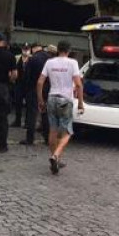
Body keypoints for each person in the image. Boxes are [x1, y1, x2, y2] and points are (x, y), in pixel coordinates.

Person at [37, 41, 84, 174]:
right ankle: (56, 155)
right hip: (65, 100)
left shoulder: (49, 62)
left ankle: (55, 160)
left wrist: (40, 100)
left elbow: (40, 82)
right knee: (67, 132)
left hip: (51, 98)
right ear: (68, 50)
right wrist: (80, 102)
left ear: (58, 50)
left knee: (52, 130)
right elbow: (79, 85)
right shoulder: (72, 63)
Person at [20, 43, 50, 145]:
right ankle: (47, 138)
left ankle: (30, 139)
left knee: (32, 114)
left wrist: (25, 90)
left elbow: (27, 76)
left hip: (33, 88)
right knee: (45, 114)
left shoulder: (32, 59)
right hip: (47, 88)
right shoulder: (49, 58)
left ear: (33, 49)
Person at [10, 43, 31, 128]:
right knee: (18, 103)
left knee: (29, 104)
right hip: (18, 83)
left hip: (28, 84)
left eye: (27, 49)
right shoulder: (17, 58)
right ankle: (17, 120)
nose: (25, 50)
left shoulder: (32, 58)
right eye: (24, 48)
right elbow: (12, 68)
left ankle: (27, 122)